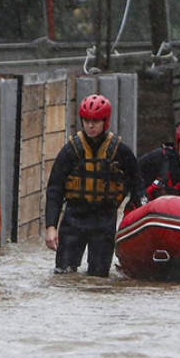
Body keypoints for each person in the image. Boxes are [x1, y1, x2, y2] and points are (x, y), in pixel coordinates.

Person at [44, 94, 146, 277]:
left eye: (96, 121)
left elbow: (137, 185)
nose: (90, 126)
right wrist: (51, 227)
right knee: (64, 275)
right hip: (74, 218)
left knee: (98, 278)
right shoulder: (71, 150)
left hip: (104, 220)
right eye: (86, 121)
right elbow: (55, 188)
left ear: (105, 121)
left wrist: (141, 217)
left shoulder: (120, 151)